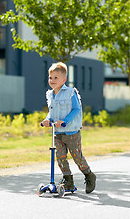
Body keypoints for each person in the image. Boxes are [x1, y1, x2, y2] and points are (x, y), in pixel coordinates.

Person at [41, 62, 96, 193]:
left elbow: (76, 110)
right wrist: (48, 119)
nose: (52, 80)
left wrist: (65, 121)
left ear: (64, 79)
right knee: (60, 157)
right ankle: (68, 180)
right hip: (58, 132)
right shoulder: (50, 94)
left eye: (56, 78)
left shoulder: (71, 93)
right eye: (50, 77)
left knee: (77, 157)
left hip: (71, 132)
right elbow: (52, 112)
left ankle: (89, 175)